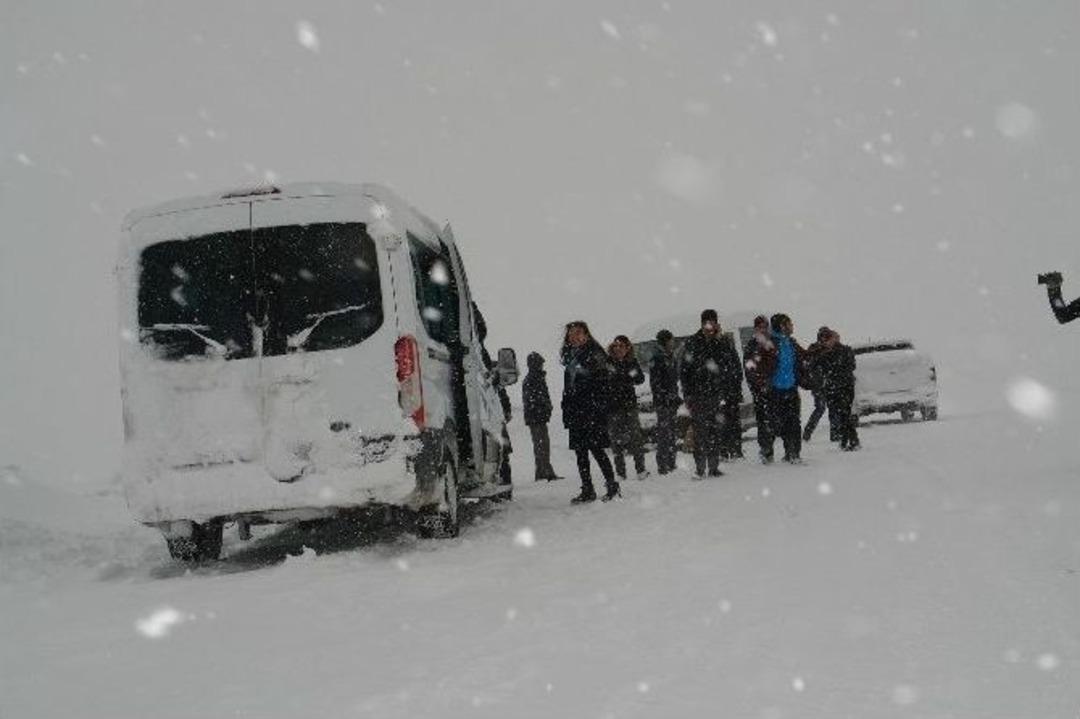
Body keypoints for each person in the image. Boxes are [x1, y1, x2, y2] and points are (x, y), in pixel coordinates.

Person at [561, 321, 620, 503]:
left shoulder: (595, 354)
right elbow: (569, 387)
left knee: (597, 450)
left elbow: (604, 384)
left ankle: (612, 486)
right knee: (580, 453)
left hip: (591, 412)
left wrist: (596, 406)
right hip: (576, 413)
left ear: (586, 334)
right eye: (571, 334)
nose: (575, 336)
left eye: (579, 333)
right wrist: (567, 408)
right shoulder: (571, 357)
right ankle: (587, 489)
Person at [680, 309, 736, 478]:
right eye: (707, 322)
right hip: (697, 395)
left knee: (715, 432)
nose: (710, 325)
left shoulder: (722, 342)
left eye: (713, 322)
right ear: (702, 323)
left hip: (716, 395)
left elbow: (728, 362)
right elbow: (684, 370)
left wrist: (719, 340)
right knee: (700, 434)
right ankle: (699, 468)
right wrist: (688, 394)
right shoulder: (692, 342)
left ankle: (713, 467)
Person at [607, 335, 650, 481]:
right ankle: (620, 473)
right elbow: (608, 380)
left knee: (636, 438)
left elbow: (639, 379)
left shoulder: (631, 362)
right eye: (616, 346)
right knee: (616, 441)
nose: (619, 349)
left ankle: (641, 470)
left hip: (630, 406)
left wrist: (629, 370)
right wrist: (623, 376)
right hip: (613, 407)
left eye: (622, 346)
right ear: (613, 347)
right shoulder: (608, 362)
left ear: (627, 348)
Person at [764, 313, 805, 464]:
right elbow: (760, 366)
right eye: (790, 323)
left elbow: (805, 356)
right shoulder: (770, 344)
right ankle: (767, 452)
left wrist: (821, 349)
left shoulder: (792, 343)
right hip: (775, 391)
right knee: (776, 424)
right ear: (782, 326)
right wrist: (764, 384)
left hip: (791, 389)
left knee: (794, 422)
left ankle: (793, 453)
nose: (792, 326)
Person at [817, 329, 860, 451]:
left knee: (844, 414)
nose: (826, 343)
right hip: (832, 388)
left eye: (828, 340)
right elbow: (820, 368)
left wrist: (836, 372)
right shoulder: (824, 354)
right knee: (841, 415)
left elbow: (851, 366)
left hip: (845, 387)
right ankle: (846, 440)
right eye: (824, 341)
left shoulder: (845, 350)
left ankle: (853, 440)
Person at [522, 352, 562, 481]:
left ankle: (542, 471)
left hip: (537, 417)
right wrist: (545, 408)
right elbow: (535, 399)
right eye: (539, 363)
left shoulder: (534, 378)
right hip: (537, 418)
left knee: (541, 445)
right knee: (542, 445)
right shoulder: (533, 379)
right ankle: (545, 472)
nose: (541, 366)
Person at [744, 315, 777, 463]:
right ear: (756, 328)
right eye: (760, 327)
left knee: (775, 420)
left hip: (775, 389)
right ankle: (766, 450)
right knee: (764, 422)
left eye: (765, 326)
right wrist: (758, 386)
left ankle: (770, 448)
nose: (763, 329)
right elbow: (749, 370)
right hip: (760, 390)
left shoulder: (772, 343)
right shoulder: (751, 345)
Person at [649, 329, 681, 475]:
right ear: (665, 341)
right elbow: (655, 384)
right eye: (671, 340)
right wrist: (665, 397)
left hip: (672, 402)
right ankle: (662, 465)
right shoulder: (657, 358)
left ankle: (671, 462)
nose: (673, 343)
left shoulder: (671, 356)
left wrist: (675, 396)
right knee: (664, 434)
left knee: (672, 433)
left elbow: (673, 380)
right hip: (663, 404)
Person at [802, 326, 838, 443]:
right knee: (820, 408)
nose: (824, 338)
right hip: (818, 383)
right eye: (822, 335)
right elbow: (809, 363)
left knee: (832, 408)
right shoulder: (814, 348)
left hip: (829, 382)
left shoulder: (832, 348)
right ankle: (807, 432)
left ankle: (834, 434)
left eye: (826, 336)